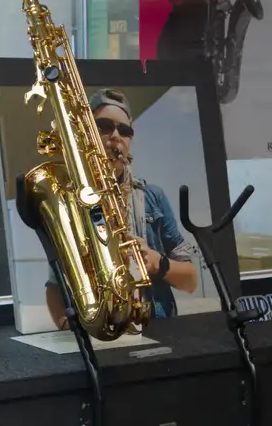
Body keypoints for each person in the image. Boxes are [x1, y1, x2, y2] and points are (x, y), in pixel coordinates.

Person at [45, 89, 199, 327]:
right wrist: (68, 328)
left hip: (156, 328)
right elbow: (55, 287)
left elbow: (190, 280)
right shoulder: (72, 201)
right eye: (104, 126)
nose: (116, 136)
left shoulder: (153, 197)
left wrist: (159, 263)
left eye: (125, 131)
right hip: (100, 331)